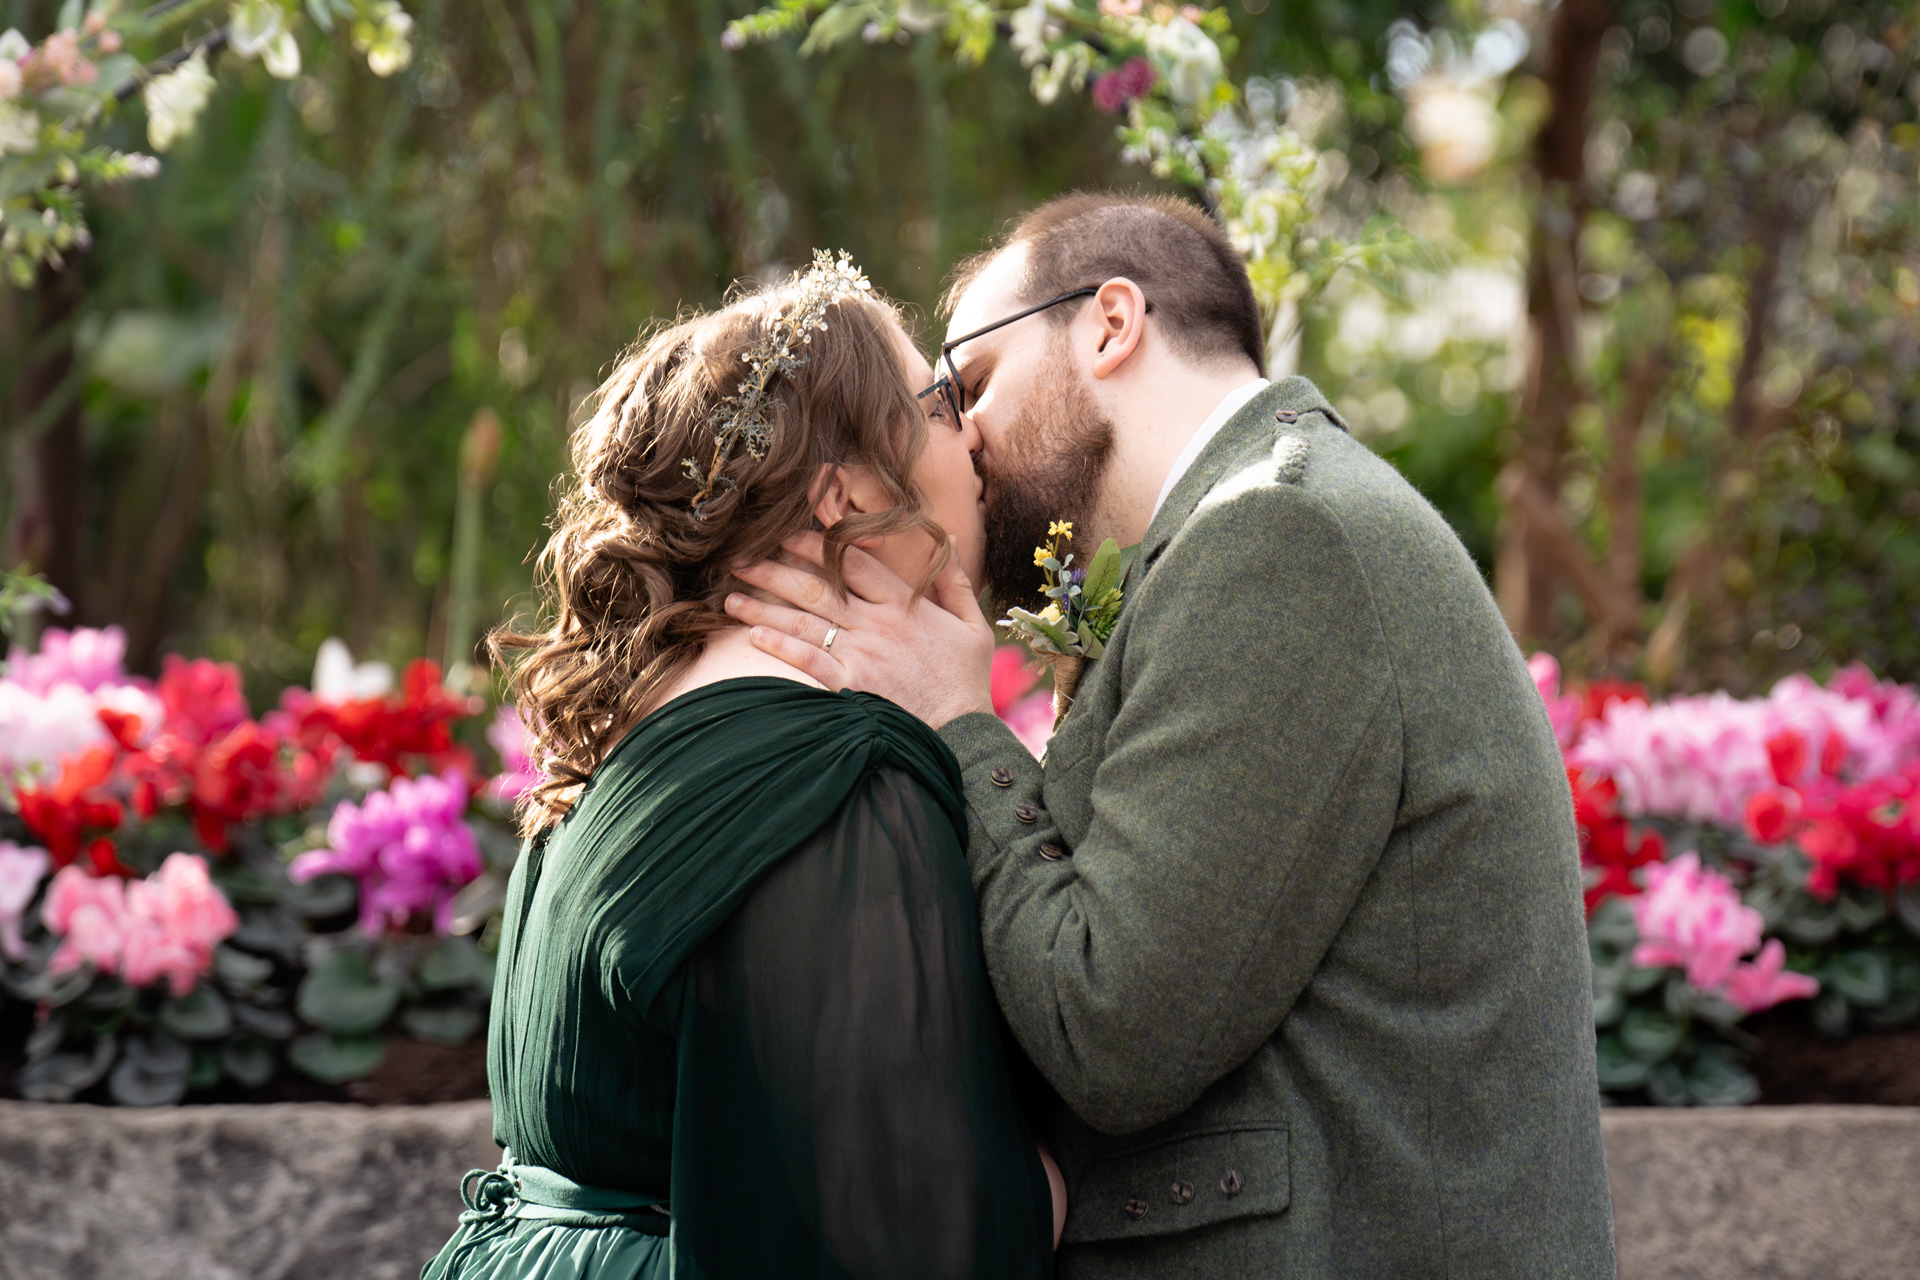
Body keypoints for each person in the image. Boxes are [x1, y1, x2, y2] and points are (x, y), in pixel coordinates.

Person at [725, 194, 1619, 1278]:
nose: (962, 437)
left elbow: (1112, 1030)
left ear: (1109, 323)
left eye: (973, 384)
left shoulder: (1279, 537)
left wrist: (958, 721)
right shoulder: (1242, 535)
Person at [420, 252, 1058, 1280]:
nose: (973, 431)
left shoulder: (626, 736)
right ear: (841, 488)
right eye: (939, 400)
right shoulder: (831, 776)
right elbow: (908, 1228)